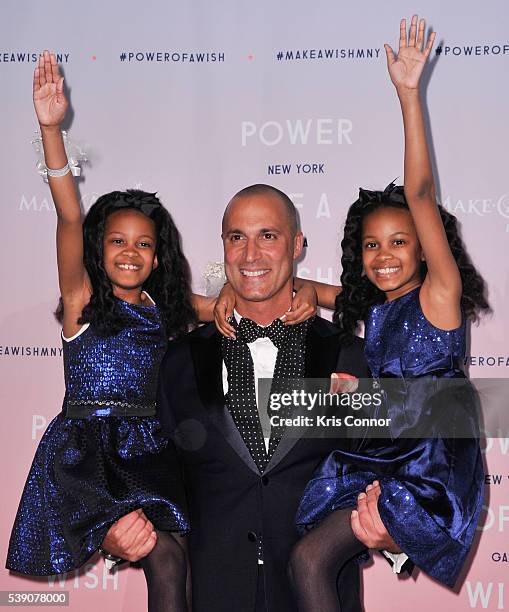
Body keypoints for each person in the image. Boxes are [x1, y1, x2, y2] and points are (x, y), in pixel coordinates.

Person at [5, 51, 222, 612]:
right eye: (118, 240)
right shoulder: (82, 303)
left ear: (158, 257)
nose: (131, 252)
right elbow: (69, 217)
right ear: (99, 250)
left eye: (144, 244)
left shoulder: (167, 307)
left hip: (150, 449)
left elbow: (238, 303)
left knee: (177, 553)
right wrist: (51, 130)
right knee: (167, 558)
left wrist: (307, 299)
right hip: (89, 451)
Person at [288, 16, 489, 611]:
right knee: (306, 556)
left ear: (427, 246)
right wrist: (248, 292)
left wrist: (408, 96)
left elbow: (420, 193)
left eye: (401, 242)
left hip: (428, 461)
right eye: (372, 245)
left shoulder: (440, 293)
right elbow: (321, 292)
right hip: (385, 446)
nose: (384, 255)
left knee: (308, 560)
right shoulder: (376, 305)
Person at [103, 183, 372, 611]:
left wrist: (395, 530)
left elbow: (393, 467)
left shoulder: (348, 356)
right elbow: (141, 472)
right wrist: (112, 530)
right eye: (237, 238)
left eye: (268, 235)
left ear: (297, 245)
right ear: (223, 246)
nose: (251, 254)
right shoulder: (175, 362)